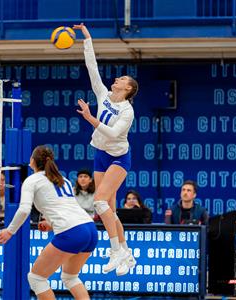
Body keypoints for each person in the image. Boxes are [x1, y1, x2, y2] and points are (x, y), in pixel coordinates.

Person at [73, 23, 139, 276]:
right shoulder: (102, 94)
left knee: (99, 202)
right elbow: (92, 66)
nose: (116, 79)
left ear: (128, 88)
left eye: (122, 79)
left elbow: (112, 133)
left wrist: (90, 118)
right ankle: (126, 253)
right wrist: (87, 38)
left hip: (119, 158)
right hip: (101, 154)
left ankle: (115, 251)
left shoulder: (127, 111)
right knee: (108, 209)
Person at [0, 146, 97, 300]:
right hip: (90, 228)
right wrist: (50, 223)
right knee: (70, 277)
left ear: (32, 161)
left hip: (72, 231)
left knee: (36, 278)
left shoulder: (32, 180)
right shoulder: (63, 179)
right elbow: (64, 207)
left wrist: (9, 231)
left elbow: (24, 210)